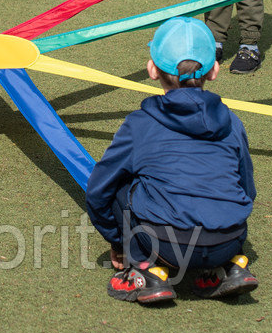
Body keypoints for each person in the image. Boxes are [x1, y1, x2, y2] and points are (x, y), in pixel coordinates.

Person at [86, 17, 257, 305]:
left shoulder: (139, 125)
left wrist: (118, 241)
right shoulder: (231, 121)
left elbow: (97, 191)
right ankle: (228, 266)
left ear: (152, 69)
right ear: (214, 70)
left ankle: (146, 271)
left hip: (165, 244)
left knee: (119, 183)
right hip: (229, 238)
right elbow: (247, 187)